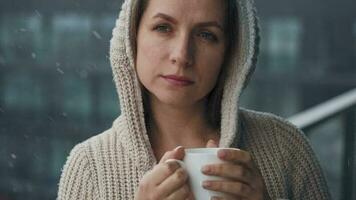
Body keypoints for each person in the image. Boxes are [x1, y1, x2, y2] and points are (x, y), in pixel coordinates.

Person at [57, 0, 331, 199]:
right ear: (132, 36)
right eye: (163, 27)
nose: (182, 54)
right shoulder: (89, 167)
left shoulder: (287, 149)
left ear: (231, 53)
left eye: (206, 35)